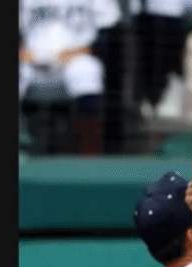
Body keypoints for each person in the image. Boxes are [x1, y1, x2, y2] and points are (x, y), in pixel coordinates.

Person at [19, 0, 121, 154]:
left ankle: (89, 153)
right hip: (31, 60)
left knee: (87, 70)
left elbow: (111, 29)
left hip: (75, 58)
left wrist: (88, 50)